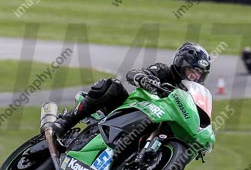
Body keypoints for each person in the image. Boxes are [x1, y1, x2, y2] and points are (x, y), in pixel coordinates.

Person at [47, 42, 212, 142]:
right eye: (192, 70)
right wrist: (144, 79)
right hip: (132, 109)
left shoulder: (189, 95)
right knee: (112, 85)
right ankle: (66, 121)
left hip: (156, 125)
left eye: (199, 73)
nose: (194, 76)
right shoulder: (163, 71)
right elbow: (133, 73)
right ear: (180, 63)